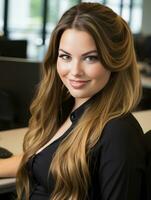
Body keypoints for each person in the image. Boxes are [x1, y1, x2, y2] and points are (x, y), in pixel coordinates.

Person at [0, 2, 146, 200]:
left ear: (115, 60)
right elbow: (43, 161)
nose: (75, 71)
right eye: (66, 56)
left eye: (90, 58)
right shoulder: (65, 108)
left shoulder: (118, 133)